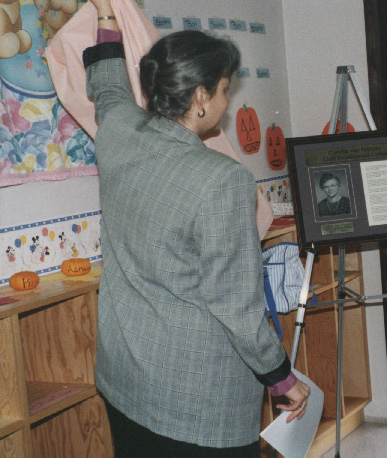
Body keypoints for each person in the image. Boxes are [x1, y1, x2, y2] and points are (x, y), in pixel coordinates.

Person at [85, 1, 309, 456]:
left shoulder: (119, 132)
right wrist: (282, 377)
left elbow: (108, 89)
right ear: (202, 97)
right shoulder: (223, 180)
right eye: (226, 89)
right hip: (197, 407)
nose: (228, 103)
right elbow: (237, 307)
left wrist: (106, 13)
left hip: (124, 383)